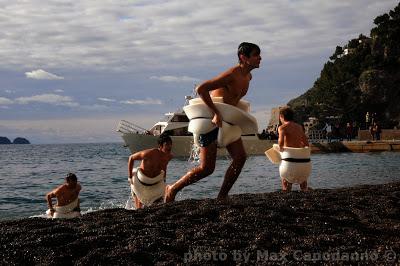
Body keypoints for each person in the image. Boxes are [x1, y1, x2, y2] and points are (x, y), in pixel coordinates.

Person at [165, 42, 261, 203]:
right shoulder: (232, 74)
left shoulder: (248, 76)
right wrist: (216, 113)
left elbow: (233, 99)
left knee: (240, 158)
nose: (260, 58)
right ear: (243, 58)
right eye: (256, 55)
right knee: (207, 168)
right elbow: (202, 88)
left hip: (226, 122)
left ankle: (222, 196)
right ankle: (172, 188)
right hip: (209, 121)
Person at [128, 134, 173, 209]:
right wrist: (129, 177)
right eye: (167, 144)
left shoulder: (169, 156)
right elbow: (131, 158)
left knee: (157, 206)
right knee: (139, 209)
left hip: (155, 183)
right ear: (160, 146)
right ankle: (137, 208)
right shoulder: (149, 153)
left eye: (170, 144)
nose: (169, 147)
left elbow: (164, 167)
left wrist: (164, 179)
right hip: (140, 180)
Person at [277, 107, 311, 192]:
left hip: (289, 166)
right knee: (303, 180)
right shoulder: (299, 127)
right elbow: (306, 144)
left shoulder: (282, 128)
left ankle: (286, 188)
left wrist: (279, 149)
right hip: (304, 167)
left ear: (281, 116)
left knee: (285, 176)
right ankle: (304, 188)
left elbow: (280, 143)